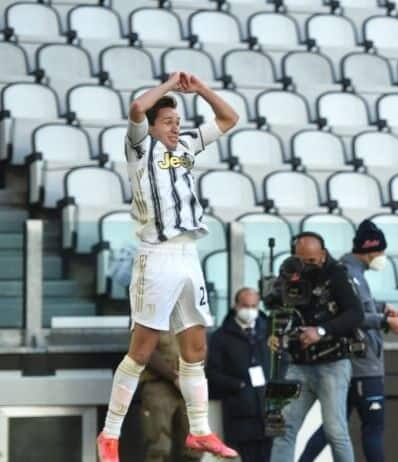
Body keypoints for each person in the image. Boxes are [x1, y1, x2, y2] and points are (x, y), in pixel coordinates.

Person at [97, 72, 240, 462]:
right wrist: (169, 85)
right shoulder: (139, 148)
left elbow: (229, 119)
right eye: (169, 122)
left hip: (188, 254)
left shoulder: (186, 146)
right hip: (156, 255)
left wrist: (201, 92)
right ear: (153, 127)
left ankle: (200, 432)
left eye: (178, 121)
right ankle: (109, 434)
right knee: (142, 350)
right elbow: (136, 108)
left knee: (195, 348)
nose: (177, 127)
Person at [299, 220, 398, 462]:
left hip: (358, 362)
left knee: (333, 428)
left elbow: (358, 307)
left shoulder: (354, 272)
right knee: (372, 427)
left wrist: (382, 307)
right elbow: (351, 316)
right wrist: (384, 321)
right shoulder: (348, 272)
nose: (382, 256)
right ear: (371, 249)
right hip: (362, 364)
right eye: (380, 251)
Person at [269, 232, 364, 462]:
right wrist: (272, 333)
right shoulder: (290, 273)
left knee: (335, 431)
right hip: (298, 363)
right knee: (284, 429)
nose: (307, 266)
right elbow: (276, 307)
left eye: (311, 261)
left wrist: (321, 331)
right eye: (302, 261)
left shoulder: (337, 275)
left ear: (322, 255)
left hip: (332, 362)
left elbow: (355, 314)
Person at [207, 287, 272, 462]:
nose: (250, 310)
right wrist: (238, 386)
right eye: (245, 305)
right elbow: (212, 373)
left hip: (268, 412)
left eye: (254, 306)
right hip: (240, 412)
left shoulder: (268, 332)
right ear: (236, 306)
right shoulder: (220, 337)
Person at [140, 332, 203, 462]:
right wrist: (174, 377)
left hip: (189, 384)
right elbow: (145, 349)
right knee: (159, 447)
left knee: (194, 447)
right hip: (158, 384)